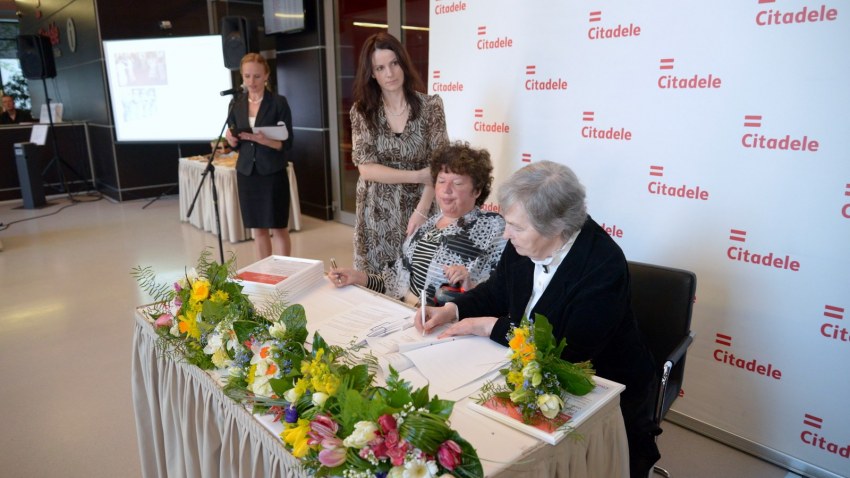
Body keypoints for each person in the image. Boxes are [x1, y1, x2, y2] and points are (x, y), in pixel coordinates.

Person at [416, 160, 661, 477]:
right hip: (530, 369)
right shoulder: (520, 242)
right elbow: (497, 290)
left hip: (601, 383)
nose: (507, 233)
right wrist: (452, 310)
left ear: (556, 227)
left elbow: (567, 351)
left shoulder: (603, 265)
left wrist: (489, 326)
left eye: (517, 227)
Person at [330, 142, 506, 305]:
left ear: (477, 190)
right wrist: (356, 277)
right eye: (441, 181)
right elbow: (393, 281)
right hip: (406, 312)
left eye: (457, 183)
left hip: (447, 321)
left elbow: (501, 291)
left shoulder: (493, 227)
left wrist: (470, 286)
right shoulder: (428, 226)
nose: (446, 190)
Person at [350, 32, 449, 274]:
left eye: (394, 63)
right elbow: (366, 168)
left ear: (403, 63)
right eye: (380, 68)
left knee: (421, 277)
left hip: (421, 204)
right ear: (372, 73)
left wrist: (422, 210)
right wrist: (417, 175)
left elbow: (440, 163)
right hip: (376, 211)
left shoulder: (431, 107)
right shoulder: (363, 111)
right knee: (376, 281)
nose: (390, 73)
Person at [225, 53, 294, 259]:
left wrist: (266, 141)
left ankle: (284, 271)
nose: (251, 81)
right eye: (247, 76)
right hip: (247, 172)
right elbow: (237, 143)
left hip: (272, 171)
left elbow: (288, 143)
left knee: (278, 227)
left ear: (266, 75)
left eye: (256, 76)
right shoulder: (236, 104)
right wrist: (231, 140)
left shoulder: (278, 102)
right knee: (258, 229)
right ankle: (265, 271)